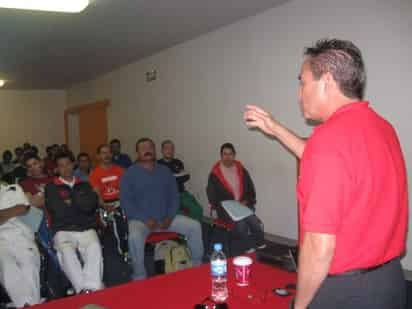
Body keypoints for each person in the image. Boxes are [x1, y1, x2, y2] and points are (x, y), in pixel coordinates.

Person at [244, 38, 407, 309]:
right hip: (389, 282)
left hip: (345, 292)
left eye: (303, 82)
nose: (299, 94)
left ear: (327, 81)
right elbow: (325, 158)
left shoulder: (329, 141)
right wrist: (274, 128)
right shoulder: (382, 128)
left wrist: (300, 305)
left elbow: (319, 248)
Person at [120, 138, 204, 280]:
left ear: (154, 150)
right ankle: (139, 275)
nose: (147, 150)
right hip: (142, 221)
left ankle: (197, 265)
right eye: (143, 148)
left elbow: (174, 197)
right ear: (137, 152)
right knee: (134, 236)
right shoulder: (129, 174)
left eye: (150, 147)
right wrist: (146, 219)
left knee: (194, 226)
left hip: (167, 218)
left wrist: (170, 216)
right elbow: (126, 203)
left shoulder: (165, 171)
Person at [45, 152, 103, 294]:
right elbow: (59, 212)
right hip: (63, 230)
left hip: (85, 227)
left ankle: (91, 287)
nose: (65, 168)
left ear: (73, 165)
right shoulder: (51, 187)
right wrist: (80, 203)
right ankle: (82, 289)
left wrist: (71, 202)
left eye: (68, 164)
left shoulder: (83, 184)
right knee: (66, 252)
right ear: (57, 169)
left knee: (95, 247)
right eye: (61, 166)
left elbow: (90, 206)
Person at [206, 143, 265, 250]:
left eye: (230, 154)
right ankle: (248, 248)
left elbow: (250, 188)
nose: (228, 157)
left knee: (254, 221)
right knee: (241, 224)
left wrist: (247, 200)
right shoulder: (215, 174)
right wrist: (222, 207)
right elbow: (212, 195)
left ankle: (261, 245)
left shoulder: (241, 169)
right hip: (226, 209)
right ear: (221, 156)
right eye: (225, 154)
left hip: (243, 204)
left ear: (234, 155)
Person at [0, 183, 41, 307]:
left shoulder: (12, 188)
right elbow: (16, 209)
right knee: (7, 267)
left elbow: (23, 208)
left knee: (29, 263)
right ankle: (26, 304)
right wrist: (11, 211)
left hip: (20, 234)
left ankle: (29, 304)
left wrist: (3, 214)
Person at [89, 144, 128, 258]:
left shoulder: (120, 170)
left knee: (123, 215)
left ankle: (127, 248)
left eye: (108, 152)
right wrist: (105, 206)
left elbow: (125, 190)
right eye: (103, 153)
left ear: (112, 154)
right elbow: (97, 195)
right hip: (104, 205)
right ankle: (124, 250)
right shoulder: (95, 174)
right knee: (117, 218)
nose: (106, 155)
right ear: (98, 156)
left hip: (120, 202)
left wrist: (122, 203)